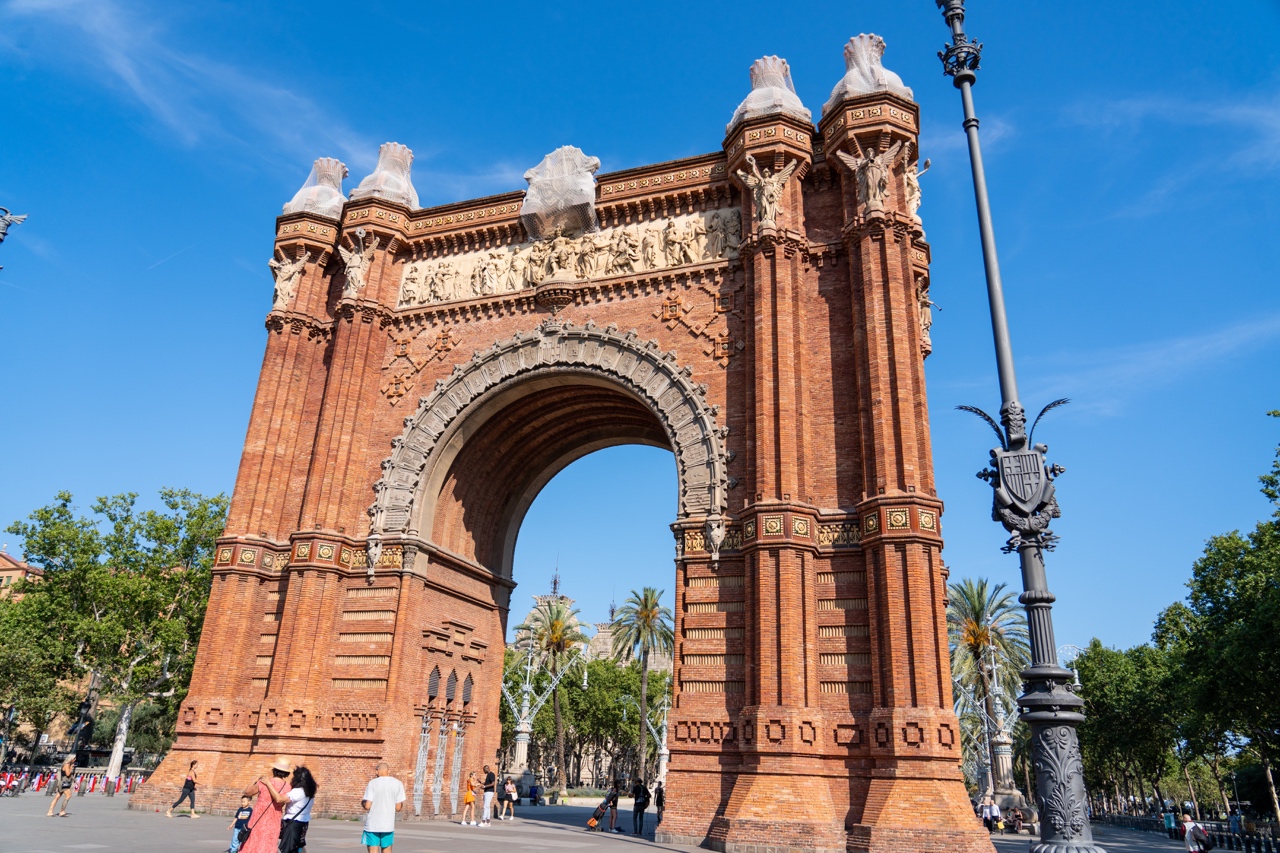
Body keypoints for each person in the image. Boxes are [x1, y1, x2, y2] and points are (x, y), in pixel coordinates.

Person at [239, 757, 293, 853]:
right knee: (269, 842)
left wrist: (253, 780)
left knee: (253, 840)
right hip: (274, 818)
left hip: (258, 817)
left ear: (274, 770)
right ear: (286, 773)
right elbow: (282, 802)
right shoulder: (288, 787)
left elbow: (247, 793)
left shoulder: (264, 782)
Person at [361, 761, 406, 853]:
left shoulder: (373, 783)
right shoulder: (398, 783)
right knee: (387, 848)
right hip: (388, 824)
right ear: (388, 771)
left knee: (373, 849)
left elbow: (367, 806)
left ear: (377, 771)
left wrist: (363, 803)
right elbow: (398, 808)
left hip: (373, 824)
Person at [279, 766, 317, 853]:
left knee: (288, 848)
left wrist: (269, 785)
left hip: (293, 823)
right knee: (297, 847)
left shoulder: (298, 791)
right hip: (304, 822)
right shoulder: (309, 792)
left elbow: (280, 799)